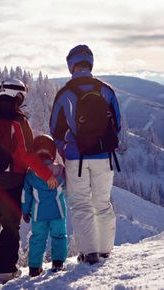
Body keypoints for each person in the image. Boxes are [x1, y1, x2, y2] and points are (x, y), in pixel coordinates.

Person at [0, 79, 58, 284]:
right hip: (12, 180)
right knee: (10, 226)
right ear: (16, 95)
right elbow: (28, 154)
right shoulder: (18, 120)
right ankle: (6, 271)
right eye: (22, 97)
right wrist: (47, 175)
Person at [50, 44, 121, 264]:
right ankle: (105, 250)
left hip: (76, 157)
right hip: (104, 157)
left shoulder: (65, 93)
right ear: (90, 62)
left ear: (71, 65)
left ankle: (89, 253)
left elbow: (55, 128)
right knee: (103, 202)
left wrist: (65, 148)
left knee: (81, 204)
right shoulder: (106, 90)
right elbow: (117, 125)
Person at [22, 134, 67, 277]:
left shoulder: (31, 174)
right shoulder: (60, 170)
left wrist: (25, 211)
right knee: (59, 236)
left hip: (38, 213)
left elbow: (26, 195)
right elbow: (67, 188)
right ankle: (58, 263)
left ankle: (34, 268)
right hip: (58, 212)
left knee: (37, 238)